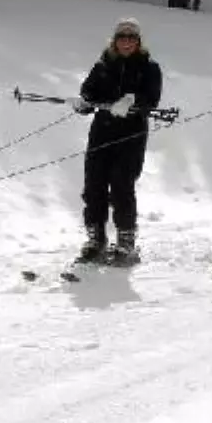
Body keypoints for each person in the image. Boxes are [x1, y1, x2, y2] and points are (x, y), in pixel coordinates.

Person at [72, 18, 163, 263]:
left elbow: (152, 98)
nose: (126, 42)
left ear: (138, 41)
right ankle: (96, 239)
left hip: (131, 134)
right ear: (115, 40)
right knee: (94, 185)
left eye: (131, 37)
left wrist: (133, 101)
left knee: (122, 186)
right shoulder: (103, 65)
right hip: (102, 131)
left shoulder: (149, 67)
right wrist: (83, 102)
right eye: (122, 37)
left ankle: (126, 241)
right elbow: (89, 91)